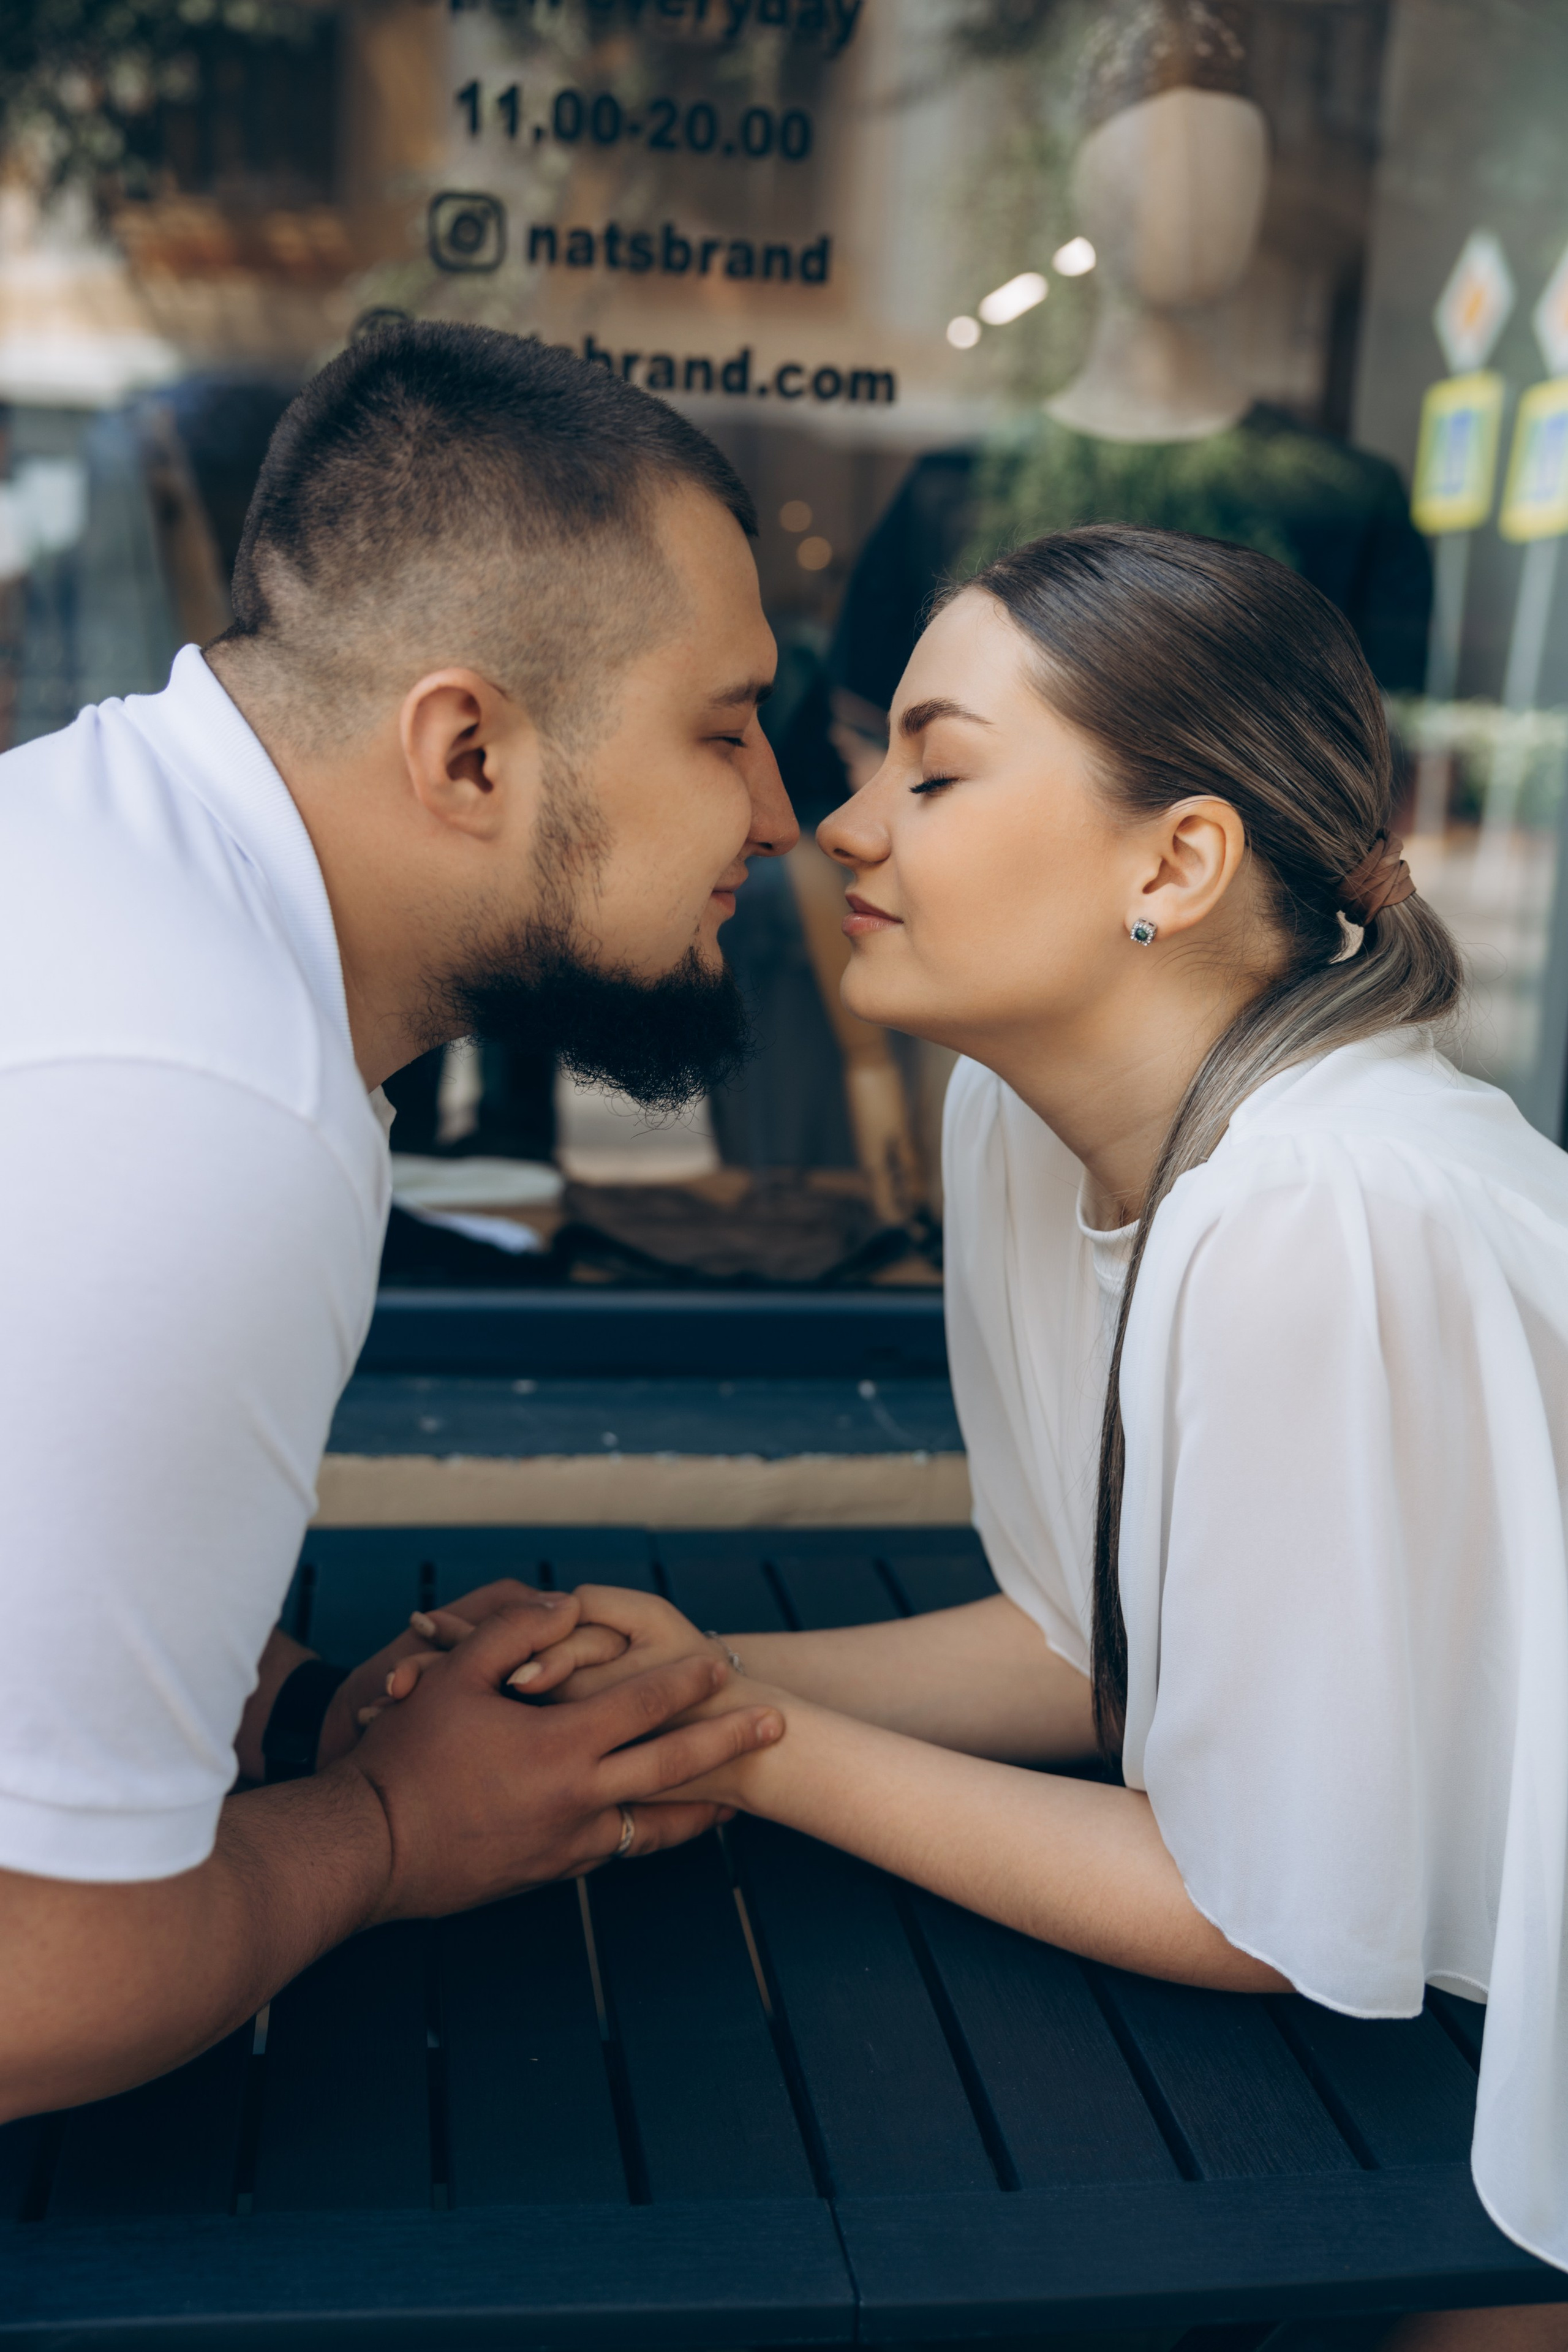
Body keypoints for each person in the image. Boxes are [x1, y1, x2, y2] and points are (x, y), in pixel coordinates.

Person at [411, 527, 1567, 2346]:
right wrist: (694, 1668)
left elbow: (1254, 1912)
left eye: (933, 771)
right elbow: (1084, 1646)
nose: (847, 826)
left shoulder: (1319, 1208)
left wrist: (740, 1739)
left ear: (1177, 863)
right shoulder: (1021, 1128)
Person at [0, 320, 796, 2121]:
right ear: (467, 752)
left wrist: (299, 1708)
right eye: (724, 731)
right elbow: (37, 1984)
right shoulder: (200, 1101)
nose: (785, 817)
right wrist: (386, 1825)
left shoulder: (116, 877)